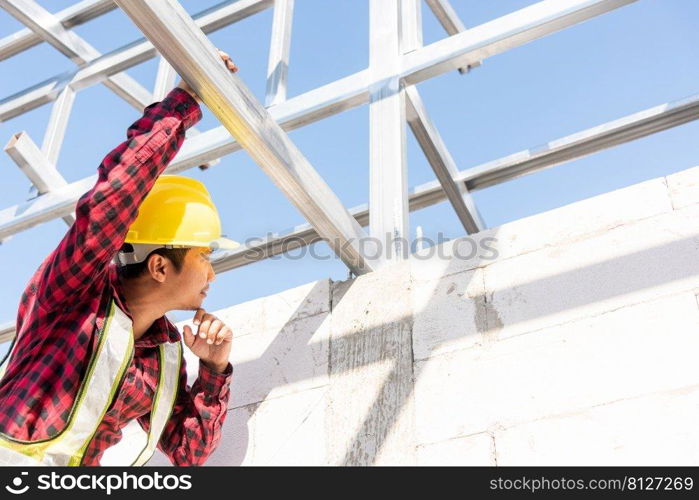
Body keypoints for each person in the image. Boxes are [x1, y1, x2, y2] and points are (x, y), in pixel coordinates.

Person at [0, 50, 239, 466]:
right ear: (160, 266)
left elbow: (188, 452)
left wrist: (214, 369)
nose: (212, 273)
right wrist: (185, 101)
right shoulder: (77, 290)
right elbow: (115, 196)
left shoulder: (162, 352)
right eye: (204, 255)